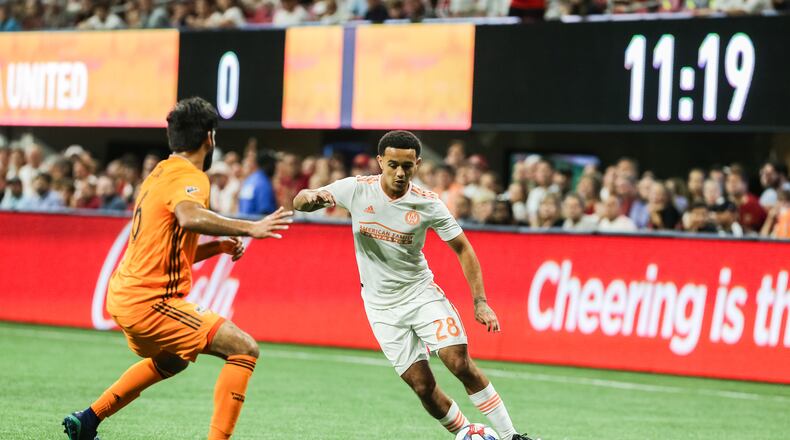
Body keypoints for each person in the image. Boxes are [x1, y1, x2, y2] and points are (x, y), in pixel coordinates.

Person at [62, 97, 294, 440]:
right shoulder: (191, 177)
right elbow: (188, 215)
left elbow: (166, 249)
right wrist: (248, 227)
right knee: (244, 348)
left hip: (126, 294)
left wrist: (216, 247)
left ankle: (89, 420)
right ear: (209, 138)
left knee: (174, 360)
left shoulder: (158, 174)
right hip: (150, 302)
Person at [293, 130, 532, 440]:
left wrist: (480, 301)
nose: (400, 172)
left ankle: (511, 435)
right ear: (380, 162)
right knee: (423, 386)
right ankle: (467, 432)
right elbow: (302, 201)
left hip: (421, 295)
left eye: (408, 166)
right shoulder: (355, 189)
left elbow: (463, 248)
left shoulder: (427, 203)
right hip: (380, 307)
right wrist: (309, 198)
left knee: (457, 362)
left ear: (417, 164)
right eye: (393, 164)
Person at [237, 150, 277, 216]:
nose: (275, 168)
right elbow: (265, 211)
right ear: (267, 165)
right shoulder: (263, 183)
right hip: (256, 223)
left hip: (243, 222)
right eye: (273, 164)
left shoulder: (250, 180)